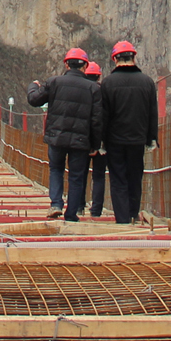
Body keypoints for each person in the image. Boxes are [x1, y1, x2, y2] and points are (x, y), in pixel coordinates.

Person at [27, 47, 102, 221]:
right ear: (85, 66)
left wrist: (33, 86)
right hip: (81, 140)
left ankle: (56, 204)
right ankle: (71, 213)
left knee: (56, 170)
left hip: (56, 137)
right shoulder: (93, 88)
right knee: (76, 176)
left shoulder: (54, 82)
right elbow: (97, 120)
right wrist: (95, 145)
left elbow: (34, 100)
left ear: (67, 64)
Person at [99, 40, 159, 224]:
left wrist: (101, 142)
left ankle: (122, 219)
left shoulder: (108, 83)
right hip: (137, 140)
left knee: (118, 179)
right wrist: (152, 138)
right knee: (135, 176)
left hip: (114, 140)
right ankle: (133, 213)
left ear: (115, 59)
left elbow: (103, 116)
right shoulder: (147, 82)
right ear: (133, 57)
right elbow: (152, 113)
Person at [82, 60, 109, 218]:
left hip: (83, 140)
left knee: (80, 174)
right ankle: (96, 210)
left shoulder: (81, 91)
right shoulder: (105, 92)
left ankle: (78, 207)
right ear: (99, 76)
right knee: (99, 176)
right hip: (102, 142)